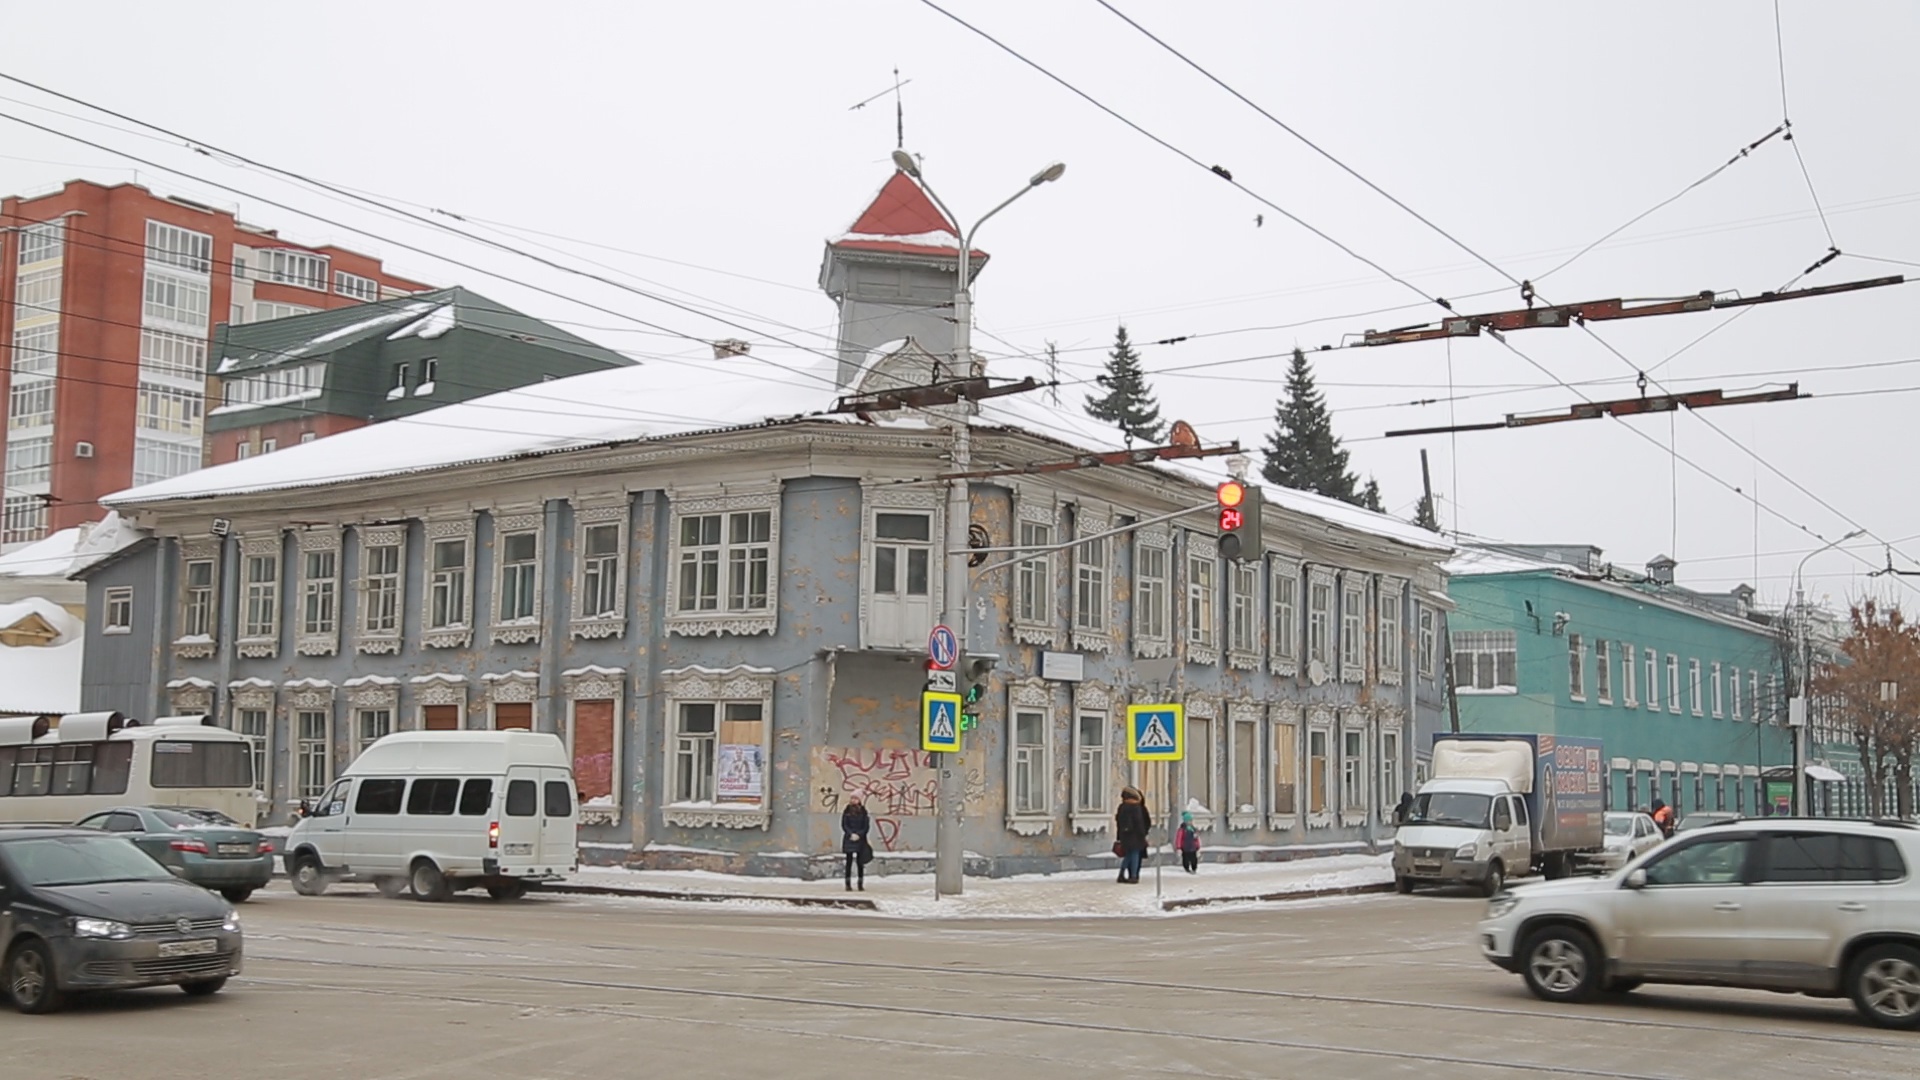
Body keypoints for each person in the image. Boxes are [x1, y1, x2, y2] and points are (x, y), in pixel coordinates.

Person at [1115, 786, 1151, 884]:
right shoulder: (1136, 807)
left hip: (1125, 836)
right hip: (1136, 836)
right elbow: (1139, 822)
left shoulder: (1122, 807)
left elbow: (1118, 822)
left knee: (1128, 855)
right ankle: (1134, 876)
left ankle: (1122, 874)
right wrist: (1143, 835)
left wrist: (1119, 837)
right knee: (1135, 855)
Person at [841, 792, 873, 891]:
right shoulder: (847, 811)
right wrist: (850, 834)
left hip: (860, 840)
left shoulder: (863, 812)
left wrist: (859, 834)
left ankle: (860, 884)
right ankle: (848, 884)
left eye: (855, 798)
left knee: (860, 863)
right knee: (849, 862)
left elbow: (866, 826)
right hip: (849, 838)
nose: (853, 800)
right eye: (852, 798)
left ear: (860, 800)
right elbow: (844, 825)